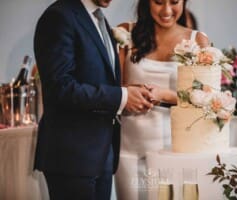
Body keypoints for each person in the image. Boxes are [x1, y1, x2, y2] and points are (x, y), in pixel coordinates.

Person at [33, 0, 154, 199]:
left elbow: (95, 78)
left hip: (101, 153)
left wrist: (127, 91)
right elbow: (60, 88)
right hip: (72, 156)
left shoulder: (98, 18)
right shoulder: (59, 17)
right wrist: (121, 97)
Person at [114, 0, 210, 199]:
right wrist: (133, 91)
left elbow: (207, 100)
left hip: (174, 149)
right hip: (129, 148)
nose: (166, 10)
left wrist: (164, 95)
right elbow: (112, 86)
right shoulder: (126, 32)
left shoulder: (198, 40)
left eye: (174, 2)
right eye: (158, 2)